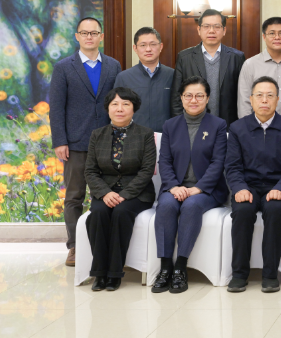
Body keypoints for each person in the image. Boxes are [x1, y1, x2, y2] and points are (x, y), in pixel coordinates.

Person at [50, 16, 121, 267]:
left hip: (107, 141)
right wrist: (60, 141)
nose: (89, 37)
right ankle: (74, 246)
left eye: (94, 33)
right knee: (74, 196)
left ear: (101, 36)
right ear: (77, 36)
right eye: (84, 33)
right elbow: (56, 108)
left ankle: (102, 244)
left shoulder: (113, 65)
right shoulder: (63, 67)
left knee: (106, 195)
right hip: (75, 142)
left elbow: (118, 102)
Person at [152, 76, 229, 294]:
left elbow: (218, 163)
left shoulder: (218, 125)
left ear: (207, 98)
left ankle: (180, 267)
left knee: (191, 205)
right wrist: (173, 186)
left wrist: (199, 188)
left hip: (206, 190)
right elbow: (164, 160)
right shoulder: (170, 125)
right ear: (181, 98)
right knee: (166, 206)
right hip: (175, 187)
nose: (193, 100)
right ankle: (165, 267)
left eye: (199, 96)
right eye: (188, 95)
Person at [225, 77, 281, 293]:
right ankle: (239, 274)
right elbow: (232, 166)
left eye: (270, 96)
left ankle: (270, 275)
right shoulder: (238, 128)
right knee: (242, 211)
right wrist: (239, 188)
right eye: (259, 95)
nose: (264, 100)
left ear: (278, 99)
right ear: (251, 99)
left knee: (275, 211)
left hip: (277, 187)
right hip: (247, 187)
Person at [84, 87, 156, 291]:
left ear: (134, 108)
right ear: (108, 108)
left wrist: (124, 195)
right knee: (98, 213)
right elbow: (90, 170)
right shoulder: (97, 134)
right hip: (105, 191)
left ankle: (115, 273)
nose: (120, 108)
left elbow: (146, 171)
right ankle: (99, 273)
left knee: (121, 212)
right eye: (114, 104)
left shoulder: (145, 134)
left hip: (137, 193)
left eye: (126, 104)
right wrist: (105, 193)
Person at [171, 9, 245, 126]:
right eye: (206, 26)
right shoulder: (184, 57)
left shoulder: (237, 57)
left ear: (224, 30)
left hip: (228, 124)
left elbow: (243, 95)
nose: (211, 31)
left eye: (217, 26)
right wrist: (180, 125)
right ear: (199, 30)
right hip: (193, 124)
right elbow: (176, 97)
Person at [238, 17, 281, 126]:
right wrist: (248, 129)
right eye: (272, 33)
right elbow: (244, 102)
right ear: (264, 37)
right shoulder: (250, 64)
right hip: (259, 125)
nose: (277, 37)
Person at [115, 27, 174, 132]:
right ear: (135, 48)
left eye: (153, 44)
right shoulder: (124, 77)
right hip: (134, 136)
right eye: (143, 45)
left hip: (167, 136)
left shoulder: (173, 75)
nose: (148, 49)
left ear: (161, 46)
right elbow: (116, 111)